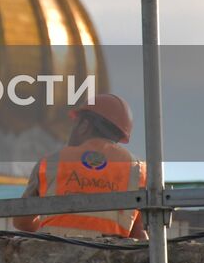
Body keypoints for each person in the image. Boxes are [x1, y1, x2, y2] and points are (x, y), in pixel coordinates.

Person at [13, 92, 147, 240]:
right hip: (109, 259)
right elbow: (138, 234)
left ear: (84, 126)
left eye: (75, 123)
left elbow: (21, 221)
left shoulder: (51, 162)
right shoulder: (138, 170)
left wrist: (45, 228)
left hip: (56, 256)